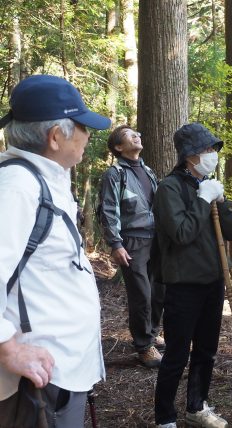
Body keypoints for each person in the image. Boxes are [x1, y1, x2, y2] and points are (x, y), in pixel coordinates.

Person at [0, 75, 110, 427]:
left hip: (56, 372)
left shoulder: (43, 178)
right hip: (37, 380)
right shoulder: (18, 187)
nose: (88, 135)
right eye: (82, 127)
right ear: (54, 137)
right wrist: (8, 348)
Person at [153, 123, 232, 428]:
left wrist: (221, 202)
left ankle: (196, 406)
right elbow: (181, 233)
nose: (211, 154)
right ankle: (165, 417)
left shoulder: (209, 185)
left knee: (206, 351)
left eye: (213, 149)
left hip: (213, 281)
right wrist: (202, 201)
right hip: (183, 284)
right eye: (206, 149)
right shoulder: (169, 188)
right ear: (189, 155)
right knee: (177, 354)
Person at [99, 125, 165, 367]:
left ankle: (152, 333)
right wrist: (116, 244)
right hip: (132, 241)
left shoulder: (148, 171)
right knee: (141, 294)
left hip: (155, 238)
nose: (137, 135)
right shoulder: (114, 174)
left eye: (138, 133)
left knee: (158, 291)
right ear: (119, 147)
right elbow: (108, 210)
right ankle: (144, 346)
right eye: (130, 135)